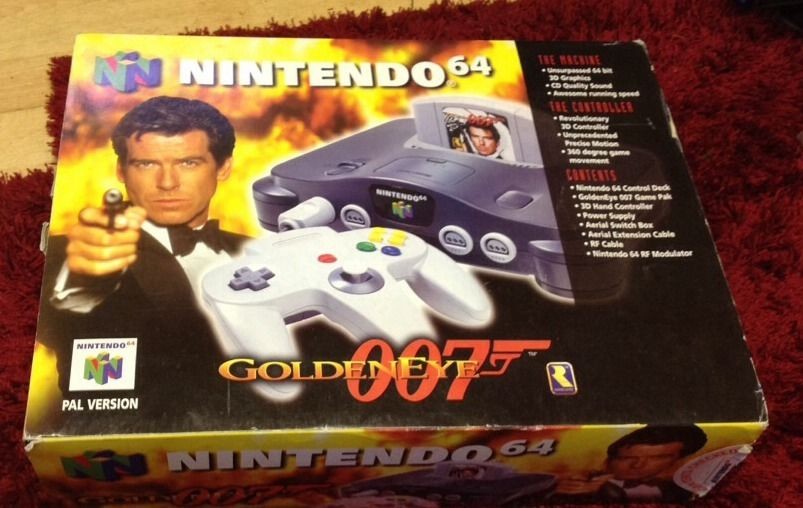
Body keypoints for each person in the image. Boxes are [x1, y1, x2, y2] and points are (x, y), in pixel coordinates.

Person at [37, 96, 253, 430]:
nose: (167, 182)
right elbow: (65, 301)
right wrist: (85, 276)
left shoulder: (257, 251)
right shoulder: (70, 250)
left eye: (189, 162)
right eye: (147, 164)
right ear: (121, 171)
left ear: (223, 167)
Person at [551, 425, 707, 502]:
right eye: (626, 458)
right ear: (609, 460)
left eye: (657, 458)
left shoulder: (679, 487)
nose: (637, 466)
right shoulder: (584, 479)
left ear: (676, 459)